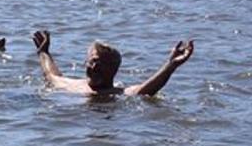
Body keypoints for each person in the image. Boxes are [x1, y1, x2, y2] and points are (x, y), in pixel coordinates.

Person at [31, 30, 194, 96]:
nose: (94, 68)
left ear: (113, 70)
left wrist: (171, 65)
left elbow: (146, 89)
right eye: (92, 62)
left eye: (101, 65)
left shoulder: (119, 93)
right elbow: (51, 75)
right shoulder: (73, 85)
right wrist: (44, 52)